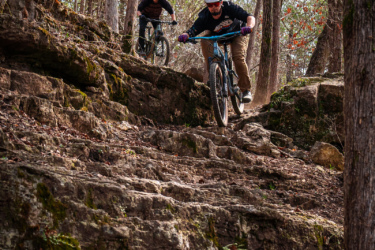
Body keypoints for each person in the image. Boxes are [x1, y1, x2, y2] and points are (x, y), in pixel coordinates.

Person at [178, 0, 255, 103]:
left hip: (237, 34)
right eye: (210, 5)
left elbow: (250, 17)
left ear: (221, 2)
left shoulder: (230, 7)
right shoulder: (204, 16)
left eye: (216, 4)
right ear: (207, 5)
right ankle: (215, 75)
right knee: (205, 40)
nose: (213, 7)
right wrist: (185, 35)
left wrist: (249, 27)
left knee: (238, 58)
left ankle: (245, 90)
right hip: (218, 36)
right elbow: (192, 30)